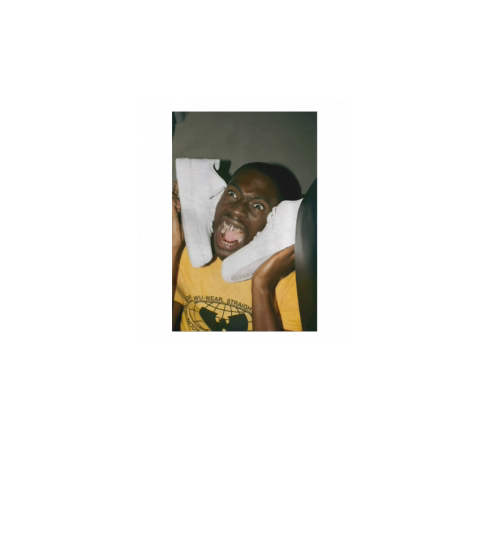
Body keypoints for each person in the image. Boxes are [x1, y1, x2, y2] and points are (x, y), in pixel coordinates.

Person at [171, 163, 302, 332]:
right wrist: (173, 248)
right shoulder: (189, 258)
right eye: (232, 194)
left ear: (275, 224)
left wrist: (262, 286)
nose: (237, 209)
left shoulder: (291, 282)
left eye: (258, 205)